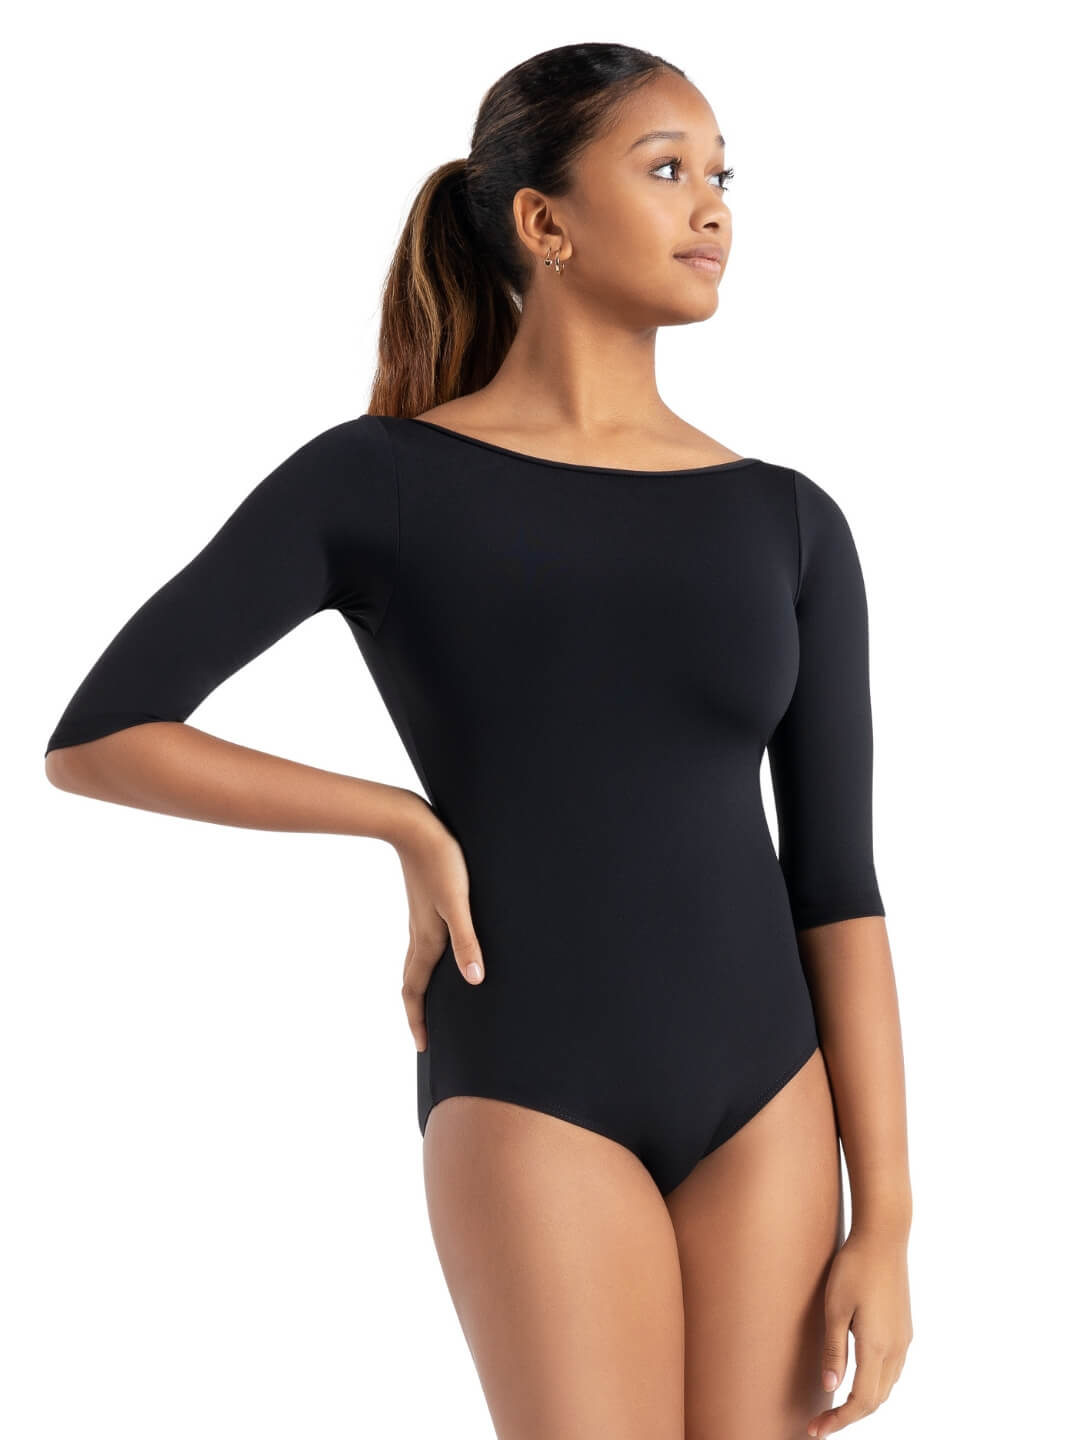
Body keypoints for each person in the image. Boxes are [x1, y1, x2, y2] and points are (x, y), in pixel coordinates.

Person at [44, 41, 913, 1440]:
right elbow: (101, 735)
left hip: (771, 1098)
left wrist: (890, 1221)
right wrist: (400, 818)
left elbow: (839, 889)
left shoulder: (790, 521)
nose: (712, 207)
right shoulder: (381, 481)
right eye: (667, 169)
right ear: (543, 221)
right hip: (530, 1076)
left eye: (722, 175)